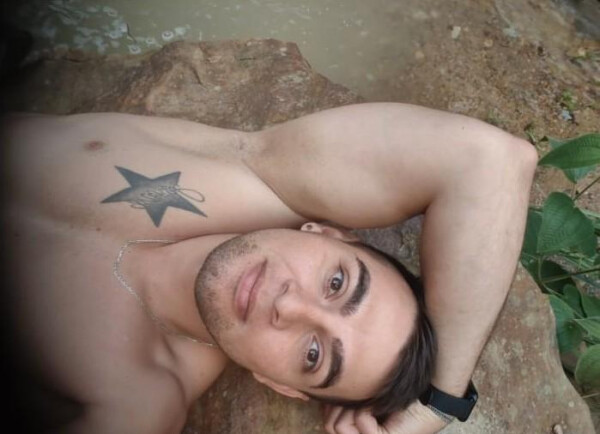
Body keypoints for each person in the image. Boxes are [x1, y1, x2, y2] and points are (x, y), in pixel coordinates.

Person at [0, 102, 537, 434]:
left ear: (279, 386)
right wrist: (442, 401)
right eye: (336, 283)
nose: (289, 306)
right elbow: (494, 160)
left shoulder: (133, 402)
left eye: (313, 354)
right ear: (326, 233)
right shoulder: (258, 174)